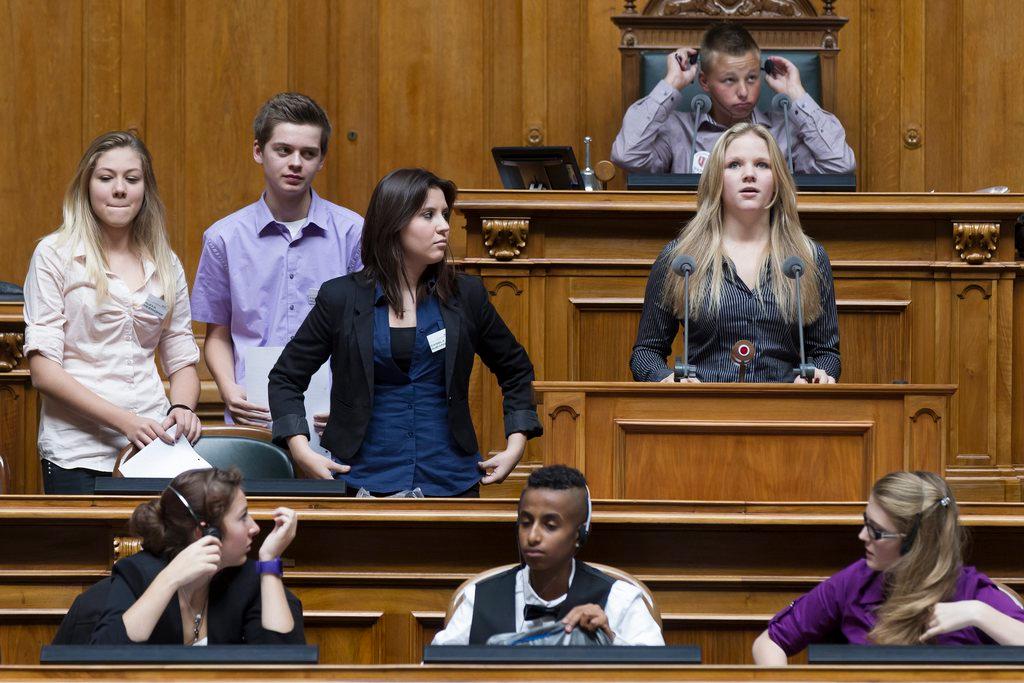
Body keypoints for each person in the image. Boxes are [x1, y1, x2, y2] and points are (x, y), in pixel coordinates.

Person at [268, 168, 542, 497]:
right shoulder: (341, 298)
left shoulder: (466, 295)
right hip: (362, 479)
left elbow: (515, 368)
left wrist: (516, 443)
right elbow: (286, 377)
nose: (443, 226)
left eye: (444, 214)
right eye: (428, 215)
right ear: (393, 222)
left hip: (450, 478)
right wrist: (300, 449)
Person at [23, 131, 202, 494]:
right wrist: (125, 422)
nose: (119, 189)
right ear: (87, 186)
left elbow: (181, 356)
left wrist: (183, 407)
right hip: (76, 452)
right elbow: (43, 373)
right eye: (106, 178)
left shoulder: (165, 263)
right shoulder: (54, 254)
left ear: (145, 189)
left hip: (153, 451)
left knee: (159, 551)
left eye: (131, 179)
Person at [191, 92, 363, 428]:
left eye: (308, 153)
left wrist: (352, 399)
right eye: (283, 150)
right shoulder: (223, 238)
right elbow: (217, 334)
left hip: (327, 416)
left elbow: (367, 333)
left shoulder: (353, 233)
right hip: (254, 413)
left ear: (322, 159)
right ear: (259, 151)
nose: (296, 163)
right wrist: (228, 389)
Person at [630, 122, 839, 383]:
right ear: (716, 178)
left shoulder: (808, 258)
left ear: (778, 179)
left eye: (762, 164)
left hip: (784, 411)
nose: (749, 174)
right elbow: (646, 353)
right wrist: (665, 378)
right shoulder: (680, 258)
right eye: (734, 165)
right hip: (702, 411)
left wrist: (819, 374)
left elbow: (826, 352)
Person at [752, 471, 1024, 664]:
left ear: (916, 544)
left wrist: (980, 614)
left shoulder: (972, 592)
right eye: (866, 521)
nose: (862, 536)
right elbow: (770, 642)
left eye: (877, 531)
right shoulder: (855, 580)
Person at [431, 465, 664, 645]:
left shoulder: (620, 599)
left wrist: (610, 639)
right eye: (525, 522)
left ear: (579, 534)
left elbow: (660, 677)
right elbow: (431, 673)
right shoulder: (478, 598)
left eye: (550, 525)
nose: (532, 536)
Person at [91, 468, 304, 645]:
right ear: (204, 532)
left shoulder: (248, 580)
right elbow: (105, 655)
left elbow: (285, 663)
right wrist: (169, 579)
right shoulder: (137, 574)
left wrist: (269, 562)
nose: (255, 528)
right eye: (243, 517)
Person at [611, 23, 855, 176]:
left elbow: (840, 164)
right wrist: (671, 83)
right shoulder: (679, 130)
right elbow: (627, 155)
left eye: (751, 78)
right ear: (704, 82)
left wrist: (796, 93)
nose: (743, 91)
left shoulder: (784, 132)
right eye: (730, 80)